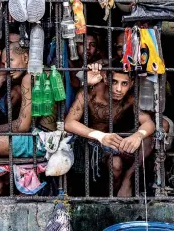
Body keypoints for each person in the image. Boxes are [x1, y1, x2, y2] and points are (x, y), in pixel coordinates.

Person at [65, 60, 156, 197]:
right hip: (90, 143)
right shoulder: (92, 92)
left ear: (131, 84)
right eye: (114, 82)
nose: (118, 89)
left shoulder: (130, 99)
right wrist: (100, 136)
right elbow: (69, 123)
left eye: (124, 83)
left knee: (144, 142)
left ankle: (125, 184)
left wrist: (138, 135)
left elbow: (149, 123)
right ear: (106, 79)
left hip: (113, 144)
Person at [0, 42, 49, 158]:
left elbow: (22, 126)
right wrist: (2, 78)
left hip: (44, 141)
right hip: (50, 136)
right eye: (5, 63)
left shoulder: (28, 79)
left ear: (25, 57)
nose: (8, 67)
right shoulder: (44, 71)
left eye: (11, 61)